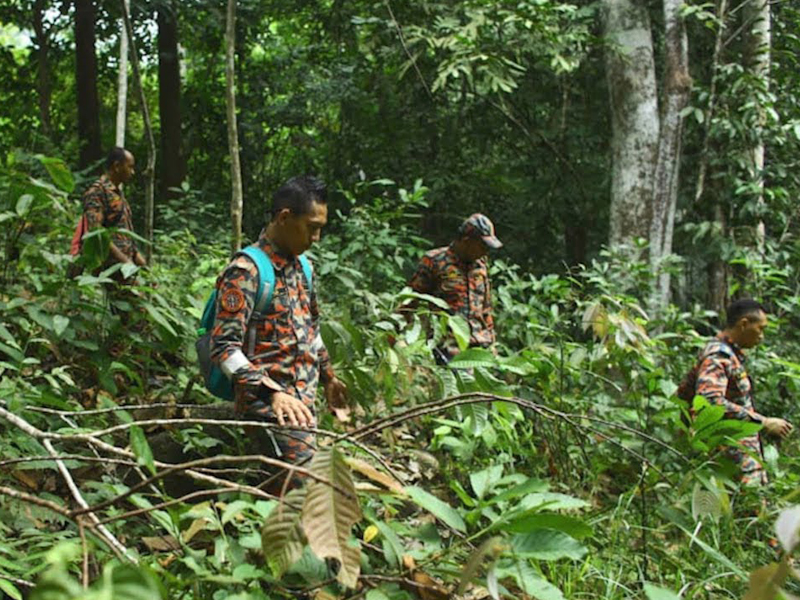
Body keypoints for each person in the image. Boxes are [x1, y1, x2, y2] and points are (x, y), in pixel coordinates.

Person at [209, 175, 347, 489]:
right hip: (268, 412)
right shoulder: (246, 271)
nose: (316, 238)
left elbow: (311, 330)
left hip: (302, 408)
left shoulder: (304, 268)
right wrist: (272, 394)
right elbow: (224, 348)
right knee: (309, 495)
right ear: (284, 218)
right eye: (311, 227)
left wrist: (328, 377)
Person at [680, 299, 793, 485]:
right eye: (760, 329)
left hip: (738, 454)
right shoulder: (719, 356)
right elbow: (710, 401)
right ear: (744, 324)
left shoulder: (731, 355)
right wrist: (763, 422)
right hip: (730, 457)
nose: (762, 336)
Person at [408, 213, 502, 363]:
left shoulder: (481, 265)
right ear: (466, 241)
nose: (485, 251)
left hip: (480, 346)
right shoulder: (435, 261)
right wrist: (396, 336)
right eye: (482, 245)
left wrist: (492, 343)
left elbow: (485, 308)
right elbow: (411, 301)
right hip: (448, 347)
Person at [81, 147, 147, 273]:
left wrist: (144, 267)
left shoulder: (117, 194)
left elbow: (127, 239)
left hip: (125, 267)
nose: (132, 172)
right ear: (117, 166)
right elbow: (97, 235)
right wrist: (126, 263)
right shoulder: (97, 192)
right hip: (110, 269)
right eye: (130, 167)